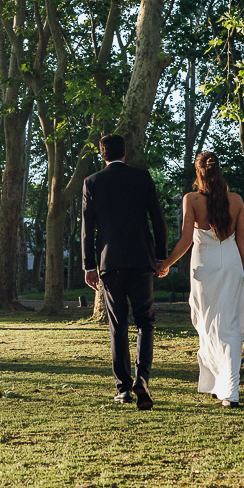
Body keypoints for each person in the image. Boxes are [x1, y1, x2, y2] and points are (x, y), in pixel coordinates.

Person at [157, 151, 244, 408]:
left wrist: (166, 263)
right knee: (231, 325)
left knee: (206, 323)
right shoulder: (237, 200)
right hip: (231, 264)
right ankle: (226, 388)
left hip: (203, 267)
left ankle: (225, 387)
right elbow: (242, 241)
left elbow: (187, 240)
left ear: (198, 172)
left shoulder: (192, 199)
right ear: (218, 170)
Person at [82, 134, 167, 410]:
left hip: (110, 263)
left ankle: (123, 388)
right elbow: (158, 219)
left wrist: (88, 265)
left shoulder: (92, 182)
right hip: (142, 260)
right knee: (145, 322)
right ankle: (142, 379)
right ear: (125, 152)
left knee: (117, 325)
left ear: (102, 154)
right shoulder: (142, 178)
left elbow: (87, 229)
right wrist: (160, 257)